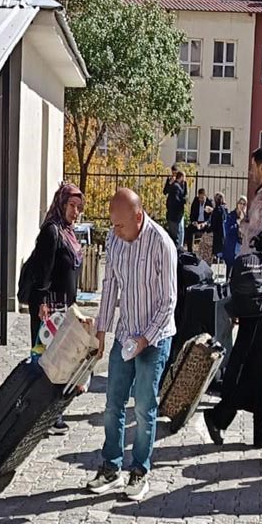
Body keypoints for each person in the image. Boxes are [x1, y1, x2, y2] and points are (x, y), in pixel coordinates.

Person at [87, 188, 177, 502]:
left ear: (139, 217)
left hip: (154, 337)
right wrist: (101, 331)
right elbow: (110, 284)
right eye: (113, 225)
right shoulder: (115, 240)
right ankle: (111, 467)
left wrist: (145, 339)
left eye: (121, 225)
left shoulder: (162, 244)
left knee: (143, 406)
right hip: (125, 334)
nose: (115, 231)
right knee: (113, 404)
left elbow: (168, 303)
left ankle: (139, 471)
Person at [203, 179, 262, 448]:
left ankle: (252, 429)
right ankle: (222, 417)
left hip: (256, 308)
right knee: (251, 368)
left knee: (257, 370)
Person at [25, 182, 85, 435]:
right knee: (48, 362)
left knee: (61, 362)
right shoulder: (51, 232)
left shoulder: (68, 232)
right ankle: (42, 415)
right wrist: (41, 304)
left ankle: (51, 413)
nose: (75, 211)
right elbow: (43, 271)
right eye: (71, 205)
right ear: (61, 204)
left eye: (79, 207)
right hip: (49, 309)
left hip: (64, 308)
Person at [163, 166, 188, 250]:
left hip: (179, 211)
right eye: (173, 172)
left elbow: (184, 193)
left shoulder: (182, 182)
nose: (174, 174)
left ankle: (180, 246)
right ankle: (176, 248)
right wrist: (170, 183)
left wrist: (183, 183)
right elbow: (165, 192)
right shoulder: (171, 182)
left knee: (181, 229)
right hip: (173, 210)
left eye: (175, 173)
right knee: (175, 230)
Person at [222, 196, 246, 269]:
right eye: (240, 203)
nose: (242, 206)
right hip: (232, 244)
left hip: (243, 244)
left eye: (244, 204)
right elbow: (227, 230)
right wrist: (238, 225)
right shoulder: (231, 215)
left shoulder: (247, 217)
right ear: (237, 204)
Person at [186, 187, 213, 253]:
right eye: (199, 198)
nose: (201, 200)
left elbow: (211, 217)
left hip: (205, 223)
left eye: (202, 198)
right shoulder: (195, 201)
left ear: (205, 196)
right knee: (189, 230)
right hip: (197, 222)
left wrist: (205, 223)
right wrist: (194, 222)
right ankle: (190, 251)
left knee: (210, 231)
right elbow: (192, 214)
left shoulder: (209, 203)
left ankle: (207, 251)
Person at [209, 192, 229, 263]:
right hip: (222, 234)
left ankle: (216, 257)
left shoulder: (217, 210)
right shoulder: (224, 209)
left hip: (217, 234)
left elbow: (213, 224)